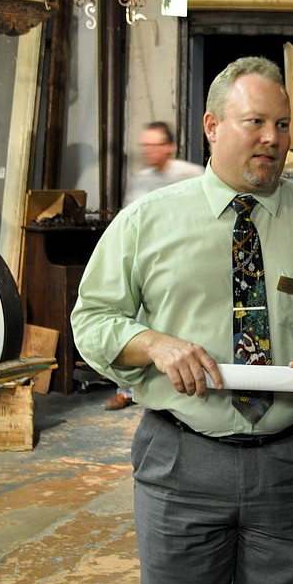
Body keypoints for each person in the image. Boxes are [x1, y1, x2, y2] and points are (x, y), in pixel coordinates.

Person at [71, 56, 293, 584]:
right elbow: (92, 320)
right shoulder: (147, 223)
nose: (273, 138)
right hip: (182, 463)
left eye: (283, 125)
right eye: (254, 122)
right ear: (212, 126)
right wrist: (152, 344)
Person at [105, 121, 206, 411]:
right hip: (147, 259)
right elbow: (128, 219)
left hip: (183, 258)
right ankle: (126, 388)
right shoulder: (141, 178)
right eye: (145, 145)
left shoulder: (191, 175)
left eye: (155, 145)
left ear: (169, 147)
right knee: (131, 320)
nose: (149, 151)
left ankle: (183, 380)